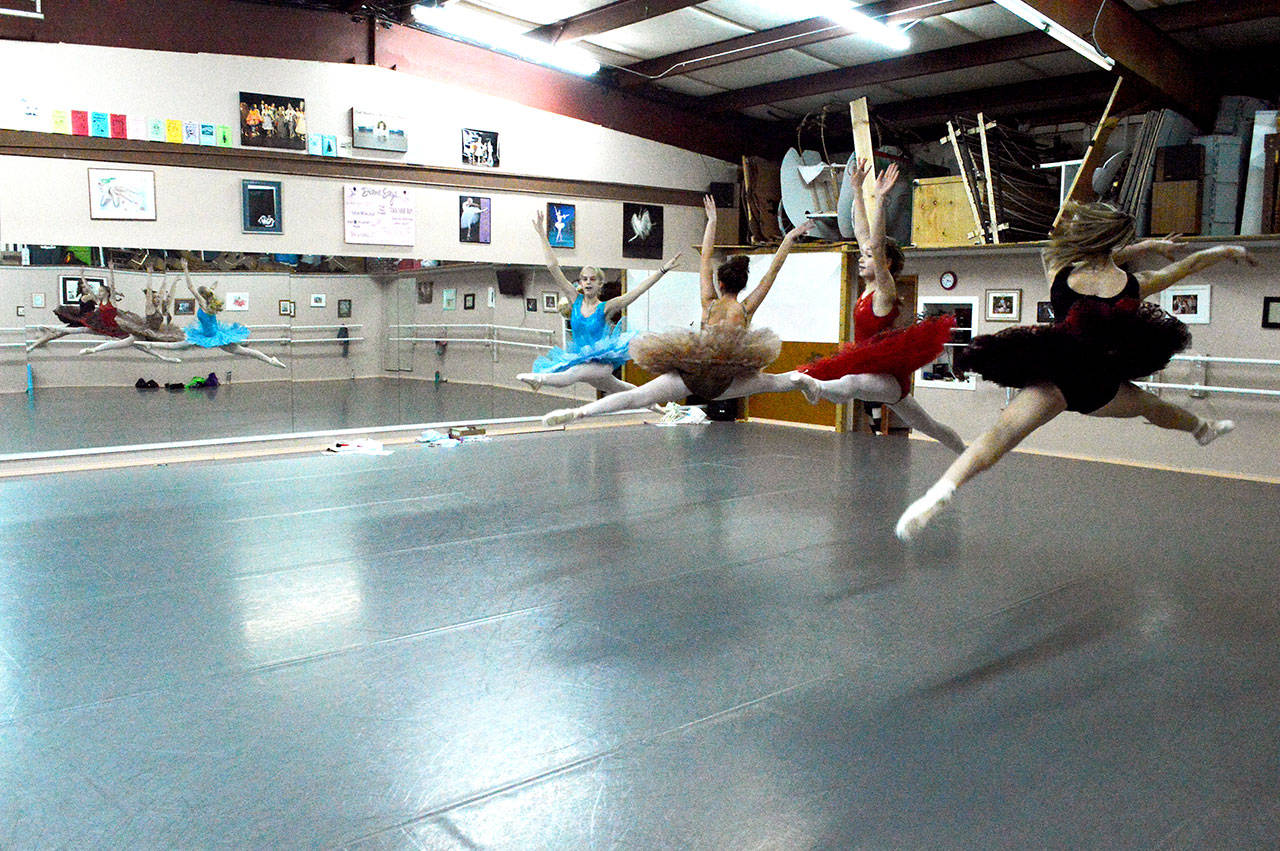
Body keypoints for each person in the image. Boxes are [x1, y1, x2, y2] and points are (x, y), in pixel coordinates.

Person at [894, 201, 1257, 541]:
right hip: (1099, 382)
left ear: (1087, 239)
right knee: (1151, 405)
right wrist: (1226, 252)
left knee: (1000, 434)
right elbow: (1188, 266)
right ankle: (1202, 429)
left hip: (1054, 373)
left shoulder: (1058, 271)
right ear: (1116, 241)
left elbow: (1089, 250)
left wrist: (1139, 245)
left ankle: (940, 491)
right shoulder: (1137, 284)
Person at [541, 195, 819, 426]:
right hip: (728, 380)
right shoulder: (746, 308)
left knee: (639, 397)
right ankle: (804, 381)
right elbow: (773, 270)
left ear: (719, 283)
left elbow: (706, 258)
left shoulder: (709, 303)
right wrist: (790, 237)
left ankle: (580, 413)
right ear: (743, 285)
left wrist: (711, 222)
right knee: (775, 382)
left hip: (694, 375)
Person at [793, 159, 965, 453]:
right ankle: (964, 451)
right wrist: (857, 191)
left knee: (852, 383)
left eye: (870, 256)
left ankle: (817, 388)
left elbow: (873, 239)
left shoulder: (885, 291)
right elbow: (862, 235)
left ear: (885, 263)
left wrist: (882, 200)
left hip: (888, 380)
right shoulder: (868, 287)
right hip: (876, 374)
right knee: (929, 425)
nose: (862, 257)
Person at [517, 208, 681, 395]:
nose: (587, 282)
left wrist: (662, 270)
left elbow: (636, 293)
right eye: (584, 279)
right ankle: (657, 407)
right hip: (581, 360)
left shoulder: (605, 307)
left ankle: (539, 379)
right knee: (621, 389)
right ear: (580, 282)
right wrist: (542, 235)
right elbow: (553, 267)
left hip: (601, 362)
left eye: (592, 279)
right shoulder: (575, 299)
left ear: (600, 284)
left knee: (574, 374)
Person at [135, 258, 285, 367]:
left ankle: (149, 345)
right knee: (245, 352)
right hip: (213, 335)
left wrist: (185, 269)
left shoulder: (203, 304)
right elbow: (209, 290)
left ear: (202, 296)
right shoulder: (210, 302)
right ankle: (270, 360)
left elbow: (190, 287)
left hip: (209, 336)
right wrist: (212, 286)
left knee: (176, 346)